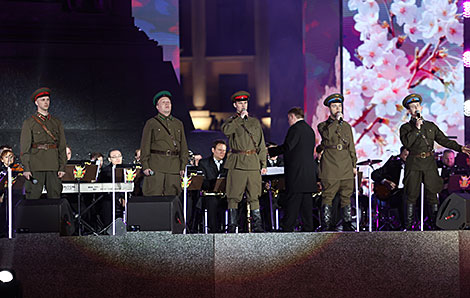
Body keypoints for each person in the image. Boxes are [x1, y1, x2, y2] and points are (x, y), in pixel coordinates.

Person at [399, 93, 470, 230]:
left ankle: (436, 226)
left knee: (432, 194)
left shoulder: (430, 126)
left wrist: (460, 148)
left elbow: (444, 140)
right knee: (411, 194)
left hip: (429, 163)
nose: (416, 109)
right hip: (414, 163)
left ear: (421, 107)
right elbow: (407, 143)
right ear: (409, 111)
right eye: (412, 107)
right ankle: (407, 226)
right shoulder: (406, 128)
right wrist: (417, 129)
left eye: (417, 106)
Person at [222, 90, 267, 233]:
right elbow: (227, 131)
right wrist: (240, 119)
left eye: (245, 103)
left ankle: (257, 226)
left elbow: (261, 143)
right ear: (235, 105)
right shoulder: (231, 121)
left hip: (253, 163)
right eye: (240, 103)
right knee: (233, 196)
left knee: (255, 196)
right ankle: (232, 225)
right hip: (238, 163)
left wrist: (263, 163)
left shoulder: (254, 122)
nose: (243, 105)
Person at [268, 107, 317, 232]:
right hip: (309, 174)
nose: (288, 121)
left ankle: (287, 231)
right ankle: (308, 231)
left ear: (293, 117)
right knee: (307, 207)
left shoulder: (295, 129)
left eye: (289, 118)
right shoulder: (310, 130)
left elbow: (288, 146)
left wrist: (272, 151)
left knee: (293, 204)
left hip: (296, 174)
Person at [317, 93, 357, 231]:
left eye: (339, 106)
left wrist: (354, 164)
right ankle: (326, 224)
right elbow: (327, 136)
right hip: (330, 164)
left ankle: (347, 223)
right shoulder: (323, 125)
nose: (338, 109)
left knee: (346, 195)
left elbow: (351, 145)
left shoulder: (346, 126)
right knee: (328, 195)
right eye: (334, 106)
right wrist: (336, 122)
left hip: (345, 163)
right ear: (329, 108)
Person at [20, 87, 67, 199]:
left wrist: (62, 166)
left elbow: (62, 145)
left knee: (55, 197)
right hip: (36, 164)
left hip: (53, 164)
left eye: (47, 99)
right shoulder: (29, 122)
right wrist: (26, 168)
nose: (46, 102)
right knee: (32, 196)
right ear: (36, 102)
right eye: (42, 100)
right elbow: (25, 148)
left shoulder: (56, 122)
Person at [140, 91, 189, 196]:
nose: (167, 104)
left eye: (169, 102)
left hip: (174, 167)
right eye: (163, 102)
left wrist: (182, 166)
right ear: (157, 107)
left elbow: (184, 147)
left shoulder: (178, 123)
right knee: (154, 197)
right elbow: (145, 145)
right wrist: (145, 165)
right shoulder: (151, 123)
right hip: (156, 166)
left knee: (173, 199)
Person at [371, 146, 409, 229]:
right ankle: (405, 226)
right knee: (403, 197)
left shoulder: (415, 166)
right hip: (394, 194)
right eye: (405, 155)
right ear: (400, 155)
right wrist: (385, 181)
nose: (407, 158)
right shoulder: (392, 164)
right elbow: (374, 174)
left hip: (411, 193)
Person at [198, 140, 228, 233]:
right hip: (210, 195)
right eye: (219, 150)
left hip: (225, 194)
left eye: (224, 150)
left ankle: (233, 228)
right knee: (212, 202)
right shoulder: (204, 163)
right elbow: (202, 182)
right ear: (213, 150)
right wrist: (215, 184)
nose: (222, 153)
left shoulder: (228, 163)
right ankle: (214, 231)